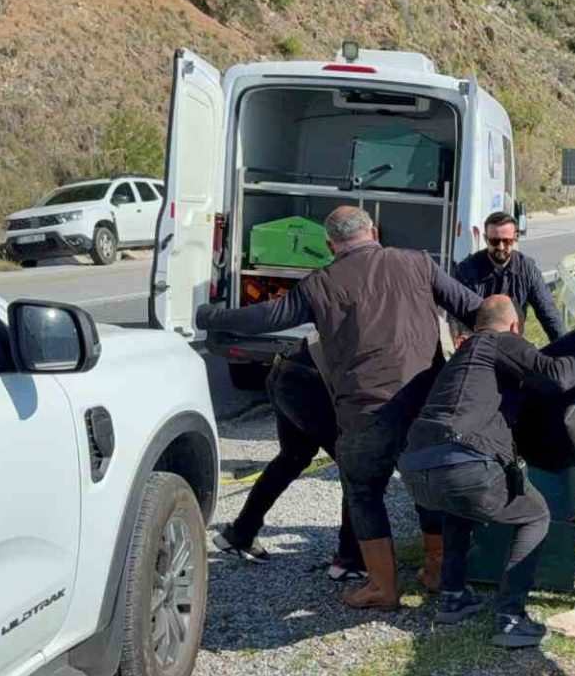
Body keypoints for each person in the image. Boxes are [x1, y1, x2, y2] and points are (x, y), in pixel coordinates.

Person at [197, 206, 483, 611]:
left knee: (364, 491)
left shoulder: (320, 284)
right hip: (424, 406)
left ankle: (382, 587)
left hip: (366, 411)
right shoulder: (418, 263)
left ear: (330, 245)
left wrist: (212, 316)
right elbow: (475, 308)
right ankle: (436, 572)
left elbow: (266, 317)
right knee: (427, 485)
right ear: (374, 232)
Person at [399, 296, 575, 648]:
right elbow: (556, 376)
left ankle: (453, 597)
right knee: (535, 515)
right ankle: (510, 618)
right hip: (465, 462)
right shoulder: (500, 341)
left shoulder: (461, 356)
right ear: (515, 326)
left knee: (457, 506)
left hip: (416, 470)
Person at [211, 340, 366, 582]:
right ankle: (350, 560)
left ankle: (240, 533)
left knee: (293, 457)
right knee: (357, 470)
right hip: (312, 380)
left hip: (287, 367)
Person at [453, 211, 563, 341]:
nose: (501, 247)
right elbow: (457, 312)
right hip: (478, 343)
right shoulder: (467, 270)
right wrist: (464, 338)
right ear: (485, 238)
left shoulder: (527, 269)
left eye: (506, 241)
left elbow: (549, 314)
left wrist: (565, 347)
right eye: (494, 241)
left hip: (513, 342)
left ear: (515, 238)